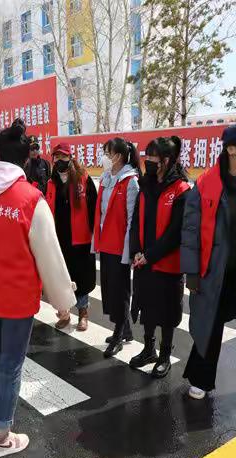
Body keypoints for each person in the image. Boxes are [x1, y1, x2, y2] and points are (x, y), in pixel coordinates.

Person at [0, 121, 76, 458]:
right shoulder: (31, 199)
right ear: (23, 162)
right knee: (11, 364)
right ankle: (1, 437)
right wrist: (62, 301)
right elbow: (49, 254)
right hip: (15, 298)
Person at [181, 125, 236, 399]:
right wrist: (191, 272)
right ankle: (200, 379)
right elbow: (190, 231)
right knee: (210, 325)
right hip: (215, 272)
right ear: (231, 149)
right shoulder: (205, 184)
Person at [129, 136, 190, 378]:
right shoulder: (146, 184)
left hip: (167, 265)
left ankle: (164, 355)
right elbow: (135, 221)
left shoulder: (181, 190)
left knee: (167, 311)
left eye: (152, 158)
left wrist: (149, 256)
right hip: (144, 261)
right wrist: (136, 250)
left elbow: (175, 234)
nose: (147, 162)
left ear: (166, 160)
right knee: (147, 308)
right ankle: (148, 349)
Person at [92, 138, 140, 358]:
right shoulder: (105, 178)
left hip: (120, 246)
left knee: (120, 291)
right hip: (107, 243)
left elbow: (132, 219)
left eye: (107, 153)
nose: (105, 157)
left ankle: (119, 334)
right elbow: (100, 213)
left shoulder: (130, 182)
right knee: (110, 289)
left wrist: (128, 251)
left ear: (118, 156)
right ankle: (125, 330)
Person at [46, 142, 97, 331]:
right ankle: (64, 314)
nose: (60, 160)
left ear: (71, 158)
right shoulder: (51, 183)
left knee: (81, 279)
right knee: (61, 279)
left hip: (80, 240)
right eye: (57, 157)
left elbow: (94, 208)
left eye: (63, 157)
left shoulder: (83, 179)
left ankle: (83, 314)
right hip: (58, 239)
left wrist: (95, 235)